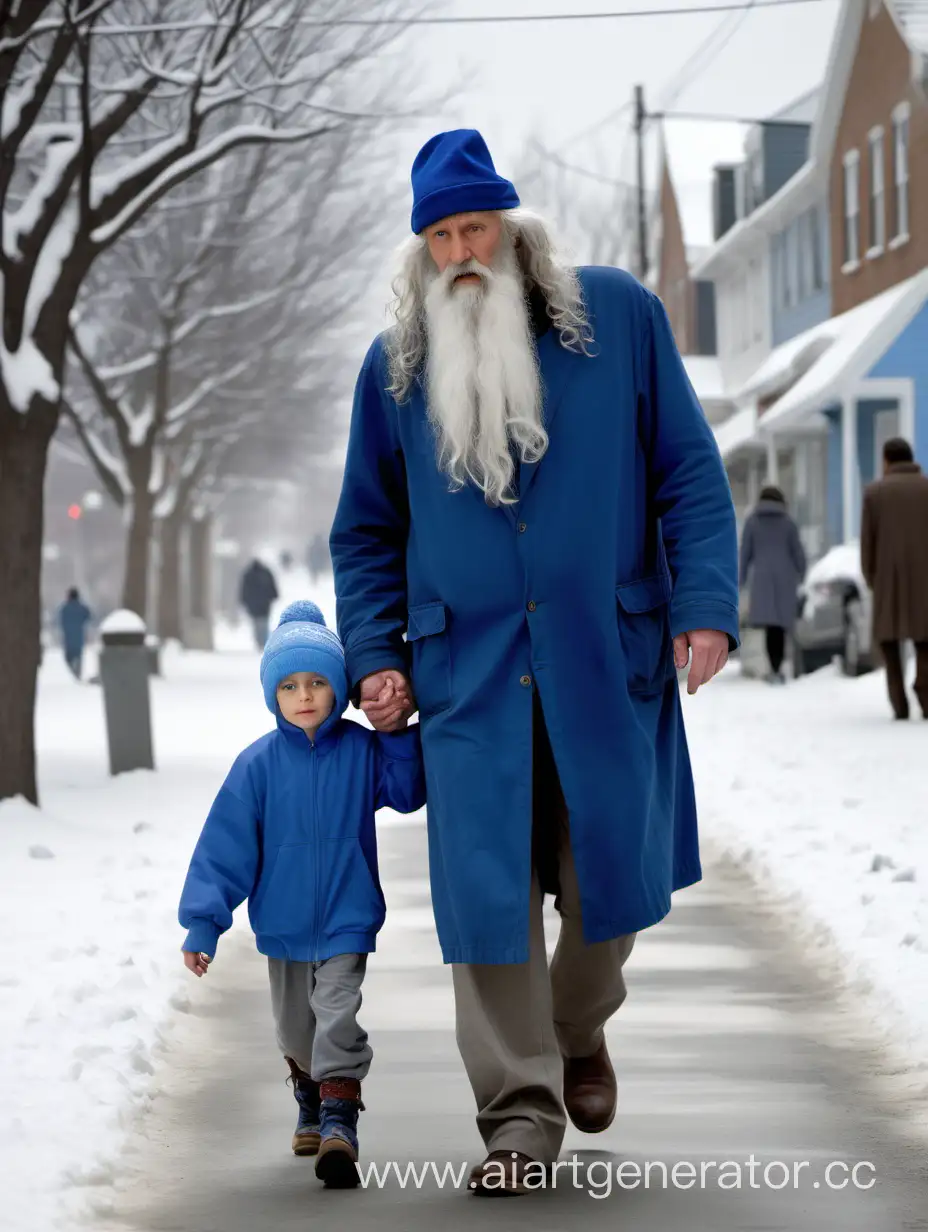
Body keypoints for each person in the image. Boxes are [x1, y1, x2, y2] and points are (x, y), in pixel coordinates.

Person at [330, 129, 739, 1193]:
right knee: (488, 897)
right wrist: (377, 654)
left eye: (475, 227)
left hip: (606, 655)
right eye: (441, 236)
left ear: (512, 229)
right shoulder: (395, 369)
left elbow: (687, 474)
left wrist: (703, 606)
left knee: (609, 883)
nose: (461, 250)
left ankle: (578, 1023)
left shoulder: (620, 321)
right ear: (421, 250)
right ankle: (517, 1117)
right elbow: (365, 531)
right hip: (465, 673)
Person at [177, 601, 425, 1188]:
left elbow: (409, 789)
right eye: (289, 685)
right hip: (283, 923)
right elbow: (224, 849)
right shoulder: (256, 767)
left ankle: (340, 1118)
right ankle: (310, 1098)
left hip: (347, 914)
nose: (305, 695)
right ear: (273, 695)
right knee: (295, 1029)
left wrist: (392, 734)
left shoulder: (360, 752)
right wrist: (203, 923)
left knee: (336, 1013)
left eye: (318, 682)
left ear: (338, 688)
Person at [861, 437, 928, 720]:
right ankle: (925, 691)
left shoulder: (875, 493)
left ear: (887, 460)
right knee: (926, 641)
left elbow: (868, 543)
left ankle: (898, 702)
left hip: (888, 579)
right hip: (926, 580)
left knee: (890, 644)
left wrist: (872, 577)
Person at [738, 486, 806, 684]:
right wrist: (802, 574)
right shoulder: (789, 523)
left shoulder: (752, 522)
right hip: (785, 579)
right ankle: (780, 666)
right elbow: (798, 553)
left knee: (770, 628)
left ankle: (774, 667)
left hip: (763, 580)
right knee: (782, 626)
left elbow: (745, 553)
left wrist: (740, 580)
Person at [239, 558, 279, 649]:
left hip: (253, 605)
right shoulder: (266, 573)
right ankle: (263, 641)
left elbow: (244, 590)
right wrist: (274, 596)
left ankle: (259, 641)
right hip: (265, 605)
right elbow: (272, 587)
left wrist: (244, 601)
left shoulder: (248, 574)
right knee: (264, 623)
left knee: (256, 624)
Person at [58, 587, 92, 680]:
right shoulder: (82, 608)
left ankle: (71, 677)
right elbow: (89, 616)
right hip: (79, 640)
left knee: (68, 661)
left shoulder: (64, 609)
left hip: (67, 640)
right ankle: (77, 676)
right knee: (78, 659)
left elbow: (59, 621)